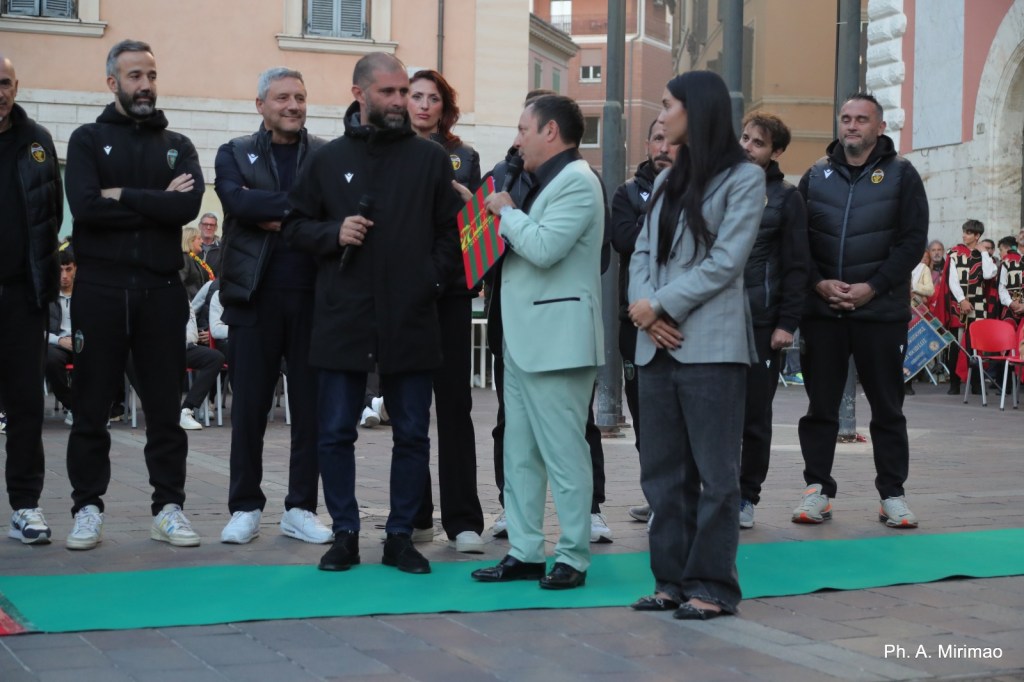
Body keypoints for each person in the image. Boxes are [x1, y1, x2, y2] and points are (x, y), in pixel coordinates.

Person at [283, 52, 462, 575]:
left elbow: (450, 236)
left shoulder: (429, 160)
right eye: (389, 92)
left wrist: (429, 281)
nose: (401, 101)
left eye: (404, 92)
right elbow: (294, 226)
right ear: (359, 93)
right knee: (335, 430)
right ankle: (345, 532)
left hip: (411, 316)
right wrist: (331, 232)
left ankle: (401, 535)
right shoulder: (325, 157)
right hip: (343, 314)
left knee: (411, 432)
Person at [626, 71, 763, 619]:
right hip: (657, 344)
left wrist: (660, 305)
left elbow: (726, 263)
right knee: (662, 474)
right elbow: (641, 255)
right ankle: (671, 582)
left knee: (715, 476)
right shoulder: (665, 180)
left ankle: (712, 587)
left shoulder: (744, 179)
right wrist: (644, 310)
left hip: (711, 348)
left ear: (697, 110)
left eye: (667, 105)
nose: (661, 117)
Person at [64, 39, 204, 550]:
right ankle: (86, 508)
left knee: (166, 408)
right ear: (112, 83)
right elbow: (84, 207)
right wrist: (155, 203)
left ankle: (168, 507)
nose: (144, 85)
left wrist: (120, 194)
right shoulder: (86, 139)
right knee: (91, 405)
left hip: (161, 290)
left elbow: (185, 208)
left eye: (151, 74)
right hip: (100, 289)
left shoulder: (178, 144)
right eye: (134, 76)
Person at [471, 94, 604, 590]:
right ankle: (525, 550)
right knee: (520, 454)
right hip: (524, 338)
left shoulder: (578, 182)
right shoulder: (533, 181)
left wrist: (505, 212)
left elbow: (545, 249)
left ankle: (572, 555)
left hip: (559, 340)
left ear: (551, 132)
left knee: (564, 453)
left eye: (523, 129)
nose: (516, 139)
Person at [794, 92, 928, 529]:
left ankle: (892, 494)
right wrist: (818, 283)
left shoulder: (903, 175)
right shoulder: (816, 176)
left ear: (879, 127)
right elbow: (799, 244)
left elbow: (911, 242)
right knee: (820, 408)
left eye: (862, 120)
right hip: (824, 312)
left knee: (887, 408)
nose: (852, 126)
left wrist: (873, 287)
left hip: (881, 313)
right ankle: (817, 491)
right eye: (846, 118)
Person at [213, 66, 332, 545]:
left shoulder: (326, 155)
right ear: (260, 104)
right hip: (253, 297)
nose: (293, 106)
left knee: (309, 412)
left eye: (300, 97)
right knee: (249, 411)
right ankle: (244, 507)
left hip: (313, 298)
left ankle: (300, 507)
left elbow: (333, 212)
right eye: (282, 97)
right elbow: (236, 203)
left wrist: (271, 208)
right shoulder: (234, 152)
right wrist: (296, 211)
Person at [406, 69, 487, 553]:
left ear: (444, 107)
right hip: (406, 296)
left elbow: (472, 225)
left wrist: (467, 201)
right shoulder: (389, 149)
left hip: (452, 293)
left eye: (431, 98)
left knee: (454, 407)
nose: (422, 105)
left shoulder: (464, 157)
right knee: (410, 408)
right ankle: (416, 516)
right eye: (415, 96)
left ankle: (463, 521)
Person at [736, 111, 809, 530]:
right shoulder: (721, 186)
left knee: (754, 416)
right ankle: (715, 491)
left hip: (763, 322)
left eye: (758, 142)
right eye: (744, 138)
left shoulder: (786, 197)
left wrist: (787, 323)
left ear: (776, 152)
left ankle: (747, 496)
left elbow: (797, 266)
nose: (747, 146)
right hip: (718, 319)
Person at [0, 54, 62, 545]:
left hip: (23, 296)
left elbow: (50, 217)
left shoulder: (36, 142)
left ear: (16, 86)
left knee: (25, 406)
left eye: (4, 83)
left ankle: (26, 506)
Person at [610, 119, 678, 525]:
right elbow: (626, 242)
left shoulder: (699, 190)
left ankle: (680, 497)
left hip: (683, 321)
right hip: (634, 322)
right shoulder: (627, 193)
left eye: (672, 139)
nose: (664, 146)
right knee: (645, 415)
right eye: (657, 138)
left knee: (681, 416)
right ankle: (657, 496)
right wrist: (661, 212)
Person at [933, 220, 997, 395]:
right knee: (955, 345)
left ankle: (976, 384)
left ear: (977, 236)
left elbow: (988, 274)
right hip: (958, 305)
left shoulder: (983, 255)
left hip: (978, 304)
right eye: (964, 232)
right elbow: (951, 280)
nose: (964, 235)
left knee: (976, 345)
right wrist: (962, 300)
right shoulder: (954, 253)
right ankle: (955, 384)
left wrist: (984, 252)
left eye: (968, 233)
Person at [46, 245, 77, 425]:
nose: (64, 275)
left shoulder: (84, 294)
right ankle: (73, 405)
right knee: (49, 359)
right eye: (60, 270)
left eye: (68, 269)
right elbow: (39, 331)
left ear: (75, 269)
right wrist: (60, 340)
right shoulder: (48, 298)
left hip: (82, 342)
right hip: (57, 344)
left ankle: (93, 406)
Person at [180, 226, 212, 300]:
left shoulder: (194, 259)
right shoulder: (185, 258)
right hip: (190, 304)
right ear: (190, 240)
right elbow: (180, 282)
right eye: (199, 238)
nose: (202, 241)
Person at [996, 236, 1023, 324]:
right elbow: (1002, 288)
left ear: (1008, 249)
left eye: (1001, 250)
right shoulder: (1006, 263)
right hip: (1009, 310)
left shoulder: (1005, 262)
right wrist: (1011, 303)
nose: (1000, 254)